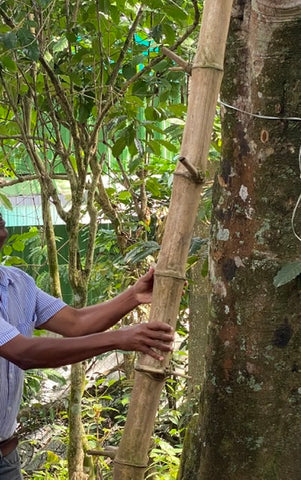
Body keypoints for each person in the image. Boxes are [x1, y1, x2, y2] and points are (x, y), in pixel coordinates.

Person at [0, 214, 174, 479]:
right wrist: (119, 338)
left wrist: (134, 295)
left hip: (6, 456)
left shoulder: (18, 283)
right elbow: (23, 353)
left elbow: (76, 322)